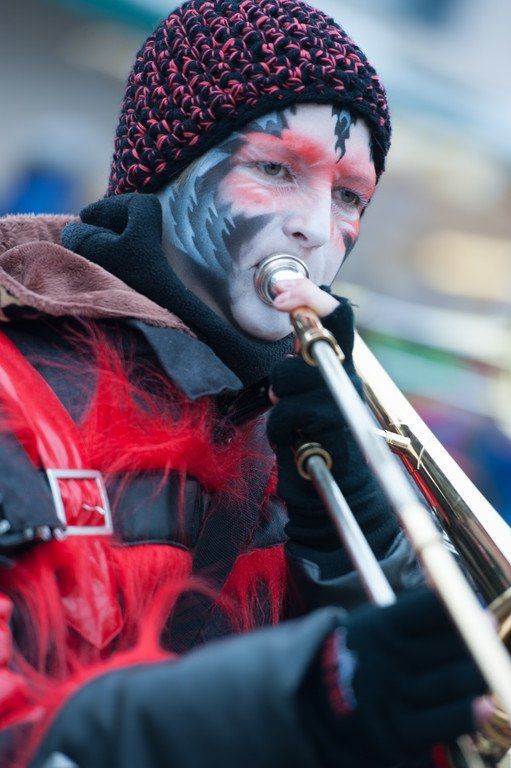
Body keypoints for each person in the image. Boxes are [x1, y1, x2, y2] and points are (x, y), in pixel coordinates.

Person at [0, 1, 490, 766]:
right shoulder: (14, 386)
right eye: (273, 169)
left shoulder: (305, 428)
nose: (315, 229)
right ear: (164, 173)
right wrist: (304, 696)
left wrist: (355, 538)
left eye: (349, 196)